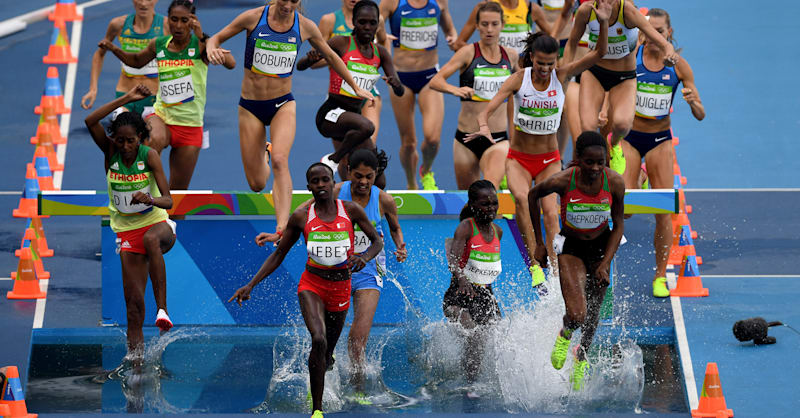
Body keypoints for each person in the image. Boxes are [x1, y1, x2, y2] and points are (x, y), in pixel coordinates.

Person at [205, 0, 373, 241]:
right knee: (256, 183)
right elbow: (215, 38)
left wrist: (355, 85)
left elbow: (333, 57)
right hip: (251, 106)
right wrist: (212, 49)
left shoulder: (305, 26)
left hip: (283, 104)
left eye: (293, 1)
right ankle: (266, 150)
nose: (287, 4)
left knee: (281, 160)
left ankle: (282, 227)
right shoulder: (252, 18)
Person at [469, 0, 609, 286]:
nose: (545, 70)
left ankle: (557, 272)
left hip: (548, 161)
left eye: (550, 64)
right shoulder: (518, 79)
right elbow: (490, 106)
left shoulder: (562, 76)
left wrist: (604, 22)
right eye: (540, 63)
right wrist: (483, 123)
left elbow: (599, 53)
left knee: (549, 213)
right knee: (520, 199)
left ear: (555, 60)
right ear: (531, 57)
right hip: (519, 158)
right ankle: (534, 264)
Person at [229, 163, 383, 418]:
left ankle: (321, 374)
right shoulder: (302, 216)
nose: (321, 185)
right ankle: (317, 410)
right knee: (319, 339)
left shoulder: (351, 211)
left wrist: (365, 257)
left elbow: (377, 240)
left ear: (333, 183)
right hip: (312, 285)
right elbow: (279, 253)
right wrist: (251, 284)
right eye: (315, 181)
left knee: (328, 353)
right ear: (308, 186)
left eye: (325, 180)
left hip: (340, 287)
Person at [278, 149, 407, 401]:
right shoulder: (335, 192)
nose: (363, 182)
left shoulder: (384, 200)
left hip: (368, 269)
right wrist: (279, 233)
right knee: (322, 339)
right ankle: (317, 385)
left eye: (369, 177)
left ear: (376, 175)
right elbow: (304, 212)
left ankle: (357, 391)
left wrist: (400, 247)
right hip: (334, 271)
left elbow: (395, 228)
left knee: (358, 338)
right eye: (358, 176)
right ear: (348, 173)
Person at [99, 0, 236, 191]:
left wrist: (204, 37)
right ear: (168, 20)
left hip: (190, 125)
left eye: (184, 20)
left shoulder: (201, 45)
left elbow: (231, 63)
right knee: (152, 139)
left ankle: (168, 214)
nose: (178, 26)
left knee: (178, 194)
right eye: (174, 19)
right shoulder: (159, 44)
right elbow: (136, 61)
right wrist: (113, 48)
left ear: (192, 21)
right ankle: (138, 190)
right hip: (162, 116)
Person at [85, 85, 177, 358]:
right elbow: (89, 121)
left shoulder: (149, 156)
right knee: (134, 308)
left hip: (158, 227)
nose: (125, 147)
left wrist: (148, 200)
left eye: (131, 141)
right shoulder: (110, 153)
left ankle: (163, 309)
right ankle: (136, 365)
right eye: (121, 140)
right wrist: (126, 99)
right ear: (114, 138)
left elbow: (169, 201)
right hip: (127, 234)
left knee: (150, 239)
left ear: (140, 138)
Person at [527, 131, 625, 391]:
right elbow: (533, 195)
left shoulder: (614, 182)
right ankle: (565, 333)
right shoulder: (562, 180)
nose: (594, 168)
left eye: (600, 163)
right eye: (588, 162)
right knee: (577, 314)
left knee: (594, 315)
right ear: (578, 160)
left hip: (601, 248)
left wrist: (605, 263)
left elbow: (619, 223)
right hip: (571, 248)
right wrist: (538, 243)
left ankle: (581, 357)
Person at [621, 8, 704, 297]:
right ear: (643, 32)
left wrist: (693, 103)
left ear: (669, 33)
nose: (657, 36)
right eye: (651, 30)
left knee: (662, 210)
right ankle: (639, 176)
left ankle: (659, 275)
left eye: (662, 31)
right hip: (631, 137)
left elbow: (701, 114)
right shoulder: (631, 59)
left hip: (659, 140)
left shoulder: (680, 67)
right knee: (627, 209)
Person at [296, 0, 404, 188]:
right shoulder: (341, 43)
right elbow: (302, 65)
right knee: (367, 127)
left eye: (372, 23)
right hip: (330, 114)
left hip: (355, 118)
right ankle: (333, 159)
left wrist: (395, 84)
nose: (367, 27)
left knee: (377, 178)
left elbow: (400, 91)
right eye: (362, 22)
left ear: (377, 25)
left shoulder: (381, 53)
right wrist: (309, 59)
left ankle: (354, 209)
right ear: (353, 22)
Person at [565, 0, 678, 175]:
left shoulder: (628, 13)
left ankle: (614, 144)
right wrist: (565, 73)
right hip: (594, 72)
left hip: (623, 78)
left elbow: (665, 44)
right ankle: (590, 172)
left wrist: (669, 54)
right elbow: (572, 42)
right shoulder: (586, 11)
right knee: (588, 128)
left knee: (622, 124)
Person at [429, 1, 517, 189]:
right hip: (465, 139)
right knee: (468, 199)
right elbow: (436, 81)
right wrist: (455, 90)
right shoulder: (467, 53)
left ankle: (500, 184)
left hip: (497, 139)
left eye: (494, 24)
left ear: (503, 25)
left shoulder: (511, 56)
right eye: (484, 24)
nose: (489, 29)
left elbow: (525, 85)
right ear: (476, 26)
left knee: (487, 192)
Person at [378, 0, 458, 190]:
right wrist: (382, 42)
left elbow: (450, 30)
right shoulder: (392, 3)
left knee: (432, 139)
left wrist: (452, 38)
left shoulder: (439, 2)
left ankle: (426, 170)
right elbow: (376, 29)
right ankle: (411, 182)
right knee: (408, 143)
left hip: (429, 77)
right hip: (400, 78)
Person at [443, 180, 502, 393]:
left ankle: (474, 378)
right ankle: (468, 384)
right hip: (458, 295)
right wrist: (462, 279)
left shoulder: (498, 232)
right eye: (485, 204)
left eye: (494, 203)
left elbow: (487, 271)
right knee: (471, 332)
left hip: (484, 296)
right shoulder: (466, 227)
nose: (491, 208)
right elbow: (453, 261)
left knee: (492, 335)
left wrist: (492, 305)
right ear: (473, 205)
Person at [317, 0, 389, 145]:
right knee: (344, 158)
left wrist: (383, 64)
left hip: (368, 94)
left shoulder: (377, 19)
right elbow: (315, 62)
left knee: (368, 146)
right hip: (340, 94)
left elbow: (384, 41)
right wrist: (339, 58)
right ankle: (335, 160)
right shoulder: (329, 20)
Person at [80, 0, 168, 115]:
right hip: (125, 96)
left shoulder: (167, 26)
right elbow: (99, 53)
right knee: (123, 130)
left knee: (152, 132)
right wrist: (93, 88)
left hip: (155, 98)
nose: (143, 3)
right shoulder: (118, 24)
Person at [452, 0, 568, 55]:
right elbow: (459, 44)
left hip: (521, 78)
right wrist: (483, 55)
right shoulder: (485, 7)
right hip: (496, 74)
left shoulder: (531, 9)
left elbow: (553, 40)